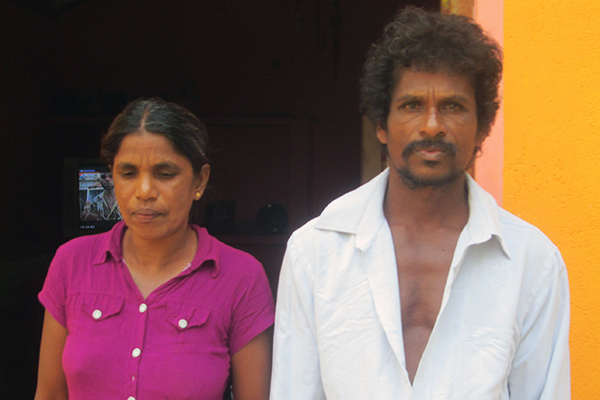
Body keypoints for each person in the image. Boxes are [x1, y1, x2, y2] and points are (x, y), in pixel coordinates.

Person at [270, 7, 570, 399]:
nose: (431, 126)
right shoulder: (316, 251)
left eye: (453, 106)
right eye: (412, 105)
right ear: (381, 124)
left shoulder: (532, 261)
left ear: (482, 127)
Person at [35, 98, 274, 400]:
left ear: (199, 180)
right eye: (128, 173)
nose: (144, 191)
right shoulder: (72, 262)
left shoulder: (241, 276)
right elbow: (50, 393)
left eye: (164, 173)